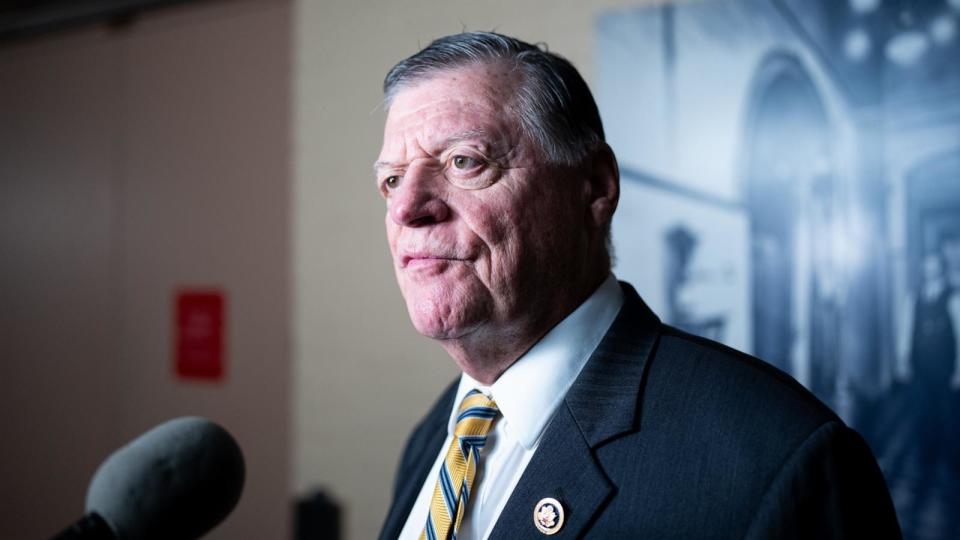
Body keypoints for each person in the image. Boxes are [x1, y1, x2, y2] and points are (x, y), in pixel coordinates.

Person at [373, 31, 900, 539]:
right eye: (392, 179)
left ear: (596, 186)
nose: (405, 208)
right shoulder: (436, 436)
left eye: (464, 161)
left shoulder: (781, 460)